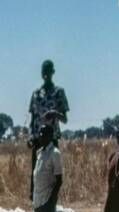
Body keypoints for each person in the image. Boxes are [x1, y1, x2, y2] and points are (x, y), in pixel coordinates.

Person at [28, 59, 68, 199]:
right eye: (43, 70)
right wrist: (30, 137)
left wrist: (54, 113)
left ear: (53, 72)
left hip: (51, 138)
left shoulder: (59, 92)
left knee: (51, 171)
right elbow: (32, 119)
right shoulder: (36, 94)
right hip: (38, 138)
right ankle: (35, 200)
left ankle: (51, 201)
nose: (46, 73)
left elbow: (65, 119)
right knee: (36, 170)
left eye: (48, 70)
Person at [33, 119, 62, 212]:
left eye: (44, 133)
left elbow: (59, 179)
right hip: (38, 200)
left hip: (47, 199)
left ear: (51, 136)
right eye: (40, 133)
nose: (41, 136)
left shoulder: (55, 154)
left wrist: (52, 200)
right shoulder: (39, 153)